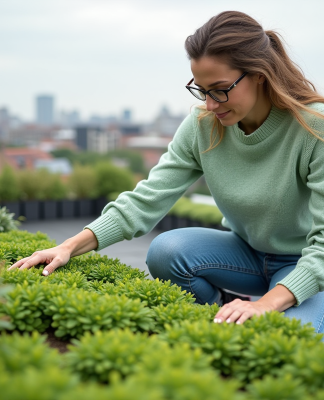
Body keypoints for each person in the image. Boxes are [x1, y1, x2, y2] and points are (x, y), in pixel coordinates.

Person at [8, 11, 324, 335]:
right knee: (166, 250)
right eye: (201, 90)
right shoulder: (204, 126)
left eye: (220, 89)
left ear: (259, 74)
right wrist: (68, 247)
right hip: (245, 254)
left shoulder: (314, 128)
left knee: (291, 337)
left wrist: (265, 304)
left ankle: (260, 310)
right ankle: (222, 316)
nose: (211, 105)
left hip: (306, 265)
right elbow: (147, 199)